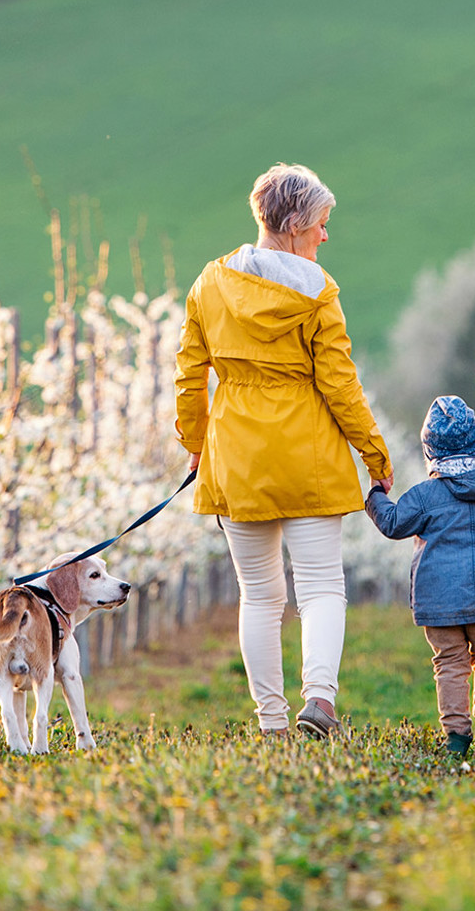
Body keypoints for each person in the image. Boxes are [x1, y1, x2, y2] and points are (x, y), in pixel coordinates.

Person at [174, 163, 393, 739]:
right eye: (321, 224)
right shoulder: (319, 294)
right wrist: (374, 453)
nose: (325, 236)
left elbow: (190, 375)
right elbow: (340, 386)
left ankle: (271, 723)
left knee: (260, 596)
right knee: (321, 586)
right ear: (295, 226)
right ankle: (318, 700)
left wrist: (196, 445)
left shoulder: (210, 282)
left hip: (237, 457)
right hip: (309, 457)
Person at [364, 395, 475, 757]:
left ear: (429, 451)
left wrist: (376, 494)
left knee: (450, 663)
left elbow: (393, 524)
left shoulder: (425, 496)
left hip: (439, 599)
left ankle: (456, 737)